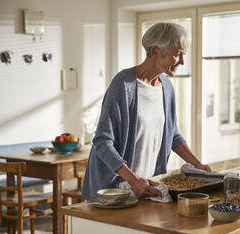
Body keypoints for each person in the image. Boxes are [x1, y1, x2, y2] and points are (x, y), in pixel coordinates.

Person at [82, 22, 211, 201]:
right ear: (155, 51)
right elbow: (102, 141)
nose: (182, 62)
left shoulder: (166, 87)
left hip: (148, 187)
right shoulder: (123, 84)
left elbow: (172, 136)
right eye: (177, 54)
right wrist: (133, 181)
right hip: (115, 189)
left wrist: (198, 165)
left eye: (183, 55)